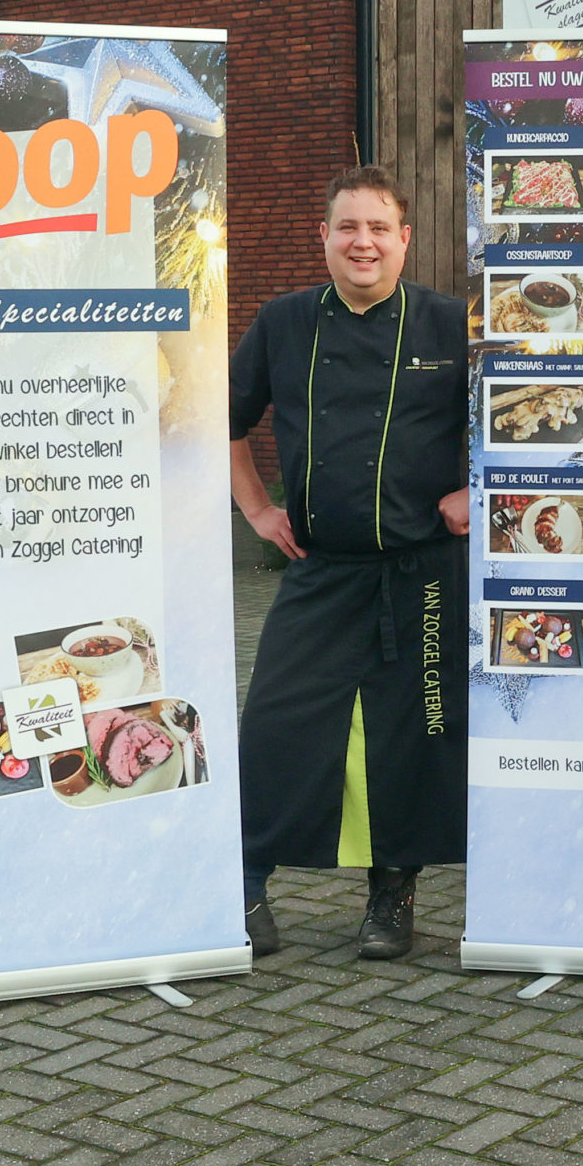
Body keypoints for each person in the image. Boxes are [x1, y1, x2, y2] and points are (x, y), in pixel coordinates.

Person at [229, 164, 469, 960]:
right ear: (323, 239)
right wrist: (257, 510)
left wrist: (480, 485)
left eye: (378, 228)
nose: (362, 242)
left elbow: (513, 424)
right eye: (347, 228)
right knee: (276, 722)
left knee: (416, 737)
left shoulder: (448, 324)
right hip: (322, 567)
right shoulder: (284, 322)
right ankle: (243, 883)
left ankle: (392, 898)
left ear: (405, 239)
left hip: (423, 572)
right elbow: (224, 421)